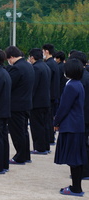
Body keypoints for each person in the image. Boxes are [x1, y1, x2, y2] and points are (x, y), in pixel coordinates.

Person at [54, 58, 87, 197]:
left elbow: (64, 107)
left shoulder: (71, 86)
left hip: (71, 126)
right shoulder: (77, 84)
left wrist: (56, 122)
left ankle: (76, 188)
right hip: (77, 125)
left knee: (73, 159)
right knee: (76, 158)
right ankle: (75, 186)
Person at [5, 46, 34, 165]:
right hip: (26, 103)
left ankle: (20, 156)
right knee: (24, 131)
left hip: (16, 105)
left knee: (17, 132)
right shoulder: (28, 65)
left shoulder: (16, 68)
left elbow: (9, 84)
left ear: (11, 57)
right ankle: (25, 154)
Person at [69, 51, 89, 180]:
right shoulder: (85, 76)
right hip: (84, 115)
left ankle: (84, 171)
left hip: (83, 116)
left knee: (82, 145)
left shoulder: (81, 79)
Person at [28, 48, 51, 155]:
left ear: (32, 57)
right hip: (46, 100)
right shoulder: (46, 66)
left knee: (37, 126)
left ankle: (39, 147)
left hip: (37, 102)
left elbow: (33, 86)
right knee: (44, 125)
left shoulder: (36, 68)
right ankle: (45, 146)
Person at [42, 44, 60, 145]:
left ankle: (49, 138)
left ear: (47, 51)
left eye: (43, 51)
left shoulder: (48, 64)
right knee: (50, 118)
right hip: (54, 94)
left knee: (48, 119)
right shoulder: (54, 63)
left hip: (49, 95)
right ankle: (50, 137)